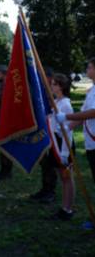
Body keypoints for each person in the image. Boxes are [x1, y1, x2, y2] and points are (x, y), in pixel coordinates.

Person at [57, 58, 95, 228]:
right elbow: (83, 114)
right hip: (90, 143)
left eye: (89, 67)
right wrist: (68, 128)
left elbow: (93, 112)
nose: (87, 69)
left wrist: (66, 117)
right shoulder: (92, 90)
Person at [49, 74, 75, 221]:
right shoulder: (56, 102)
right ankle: (64, 207)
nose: (51, 86)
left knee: (67, 177)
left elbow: (68, 131)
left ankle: (68, 209)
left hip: (64, 144)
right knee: (62, 177)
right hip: (56, 142)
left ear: (61, 87)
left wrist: (65, 152)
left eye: (54, 84)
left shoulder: (65, 104)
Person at [30, 67, 58, 203]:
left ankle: (50, 191)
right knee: (44, 162)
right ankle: (45, 189)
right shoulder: (41, 91)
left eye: (44, 78)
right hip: (43, 130)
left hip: (53, 132)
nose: (42, 80)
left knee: (50, 164)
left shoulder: (55, 93)